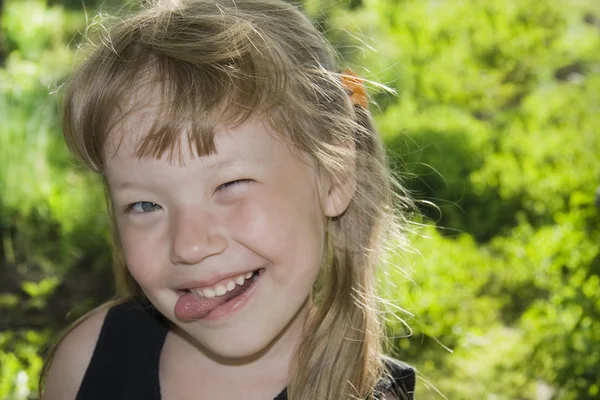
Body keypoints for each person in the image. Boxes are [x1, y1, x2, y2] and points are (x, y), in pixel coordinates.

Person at [41, 0, 416, 398]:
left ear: (335, 176)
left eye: (229, 185)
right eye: (145, 205)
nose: (190, 245)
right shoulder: (86, 362)